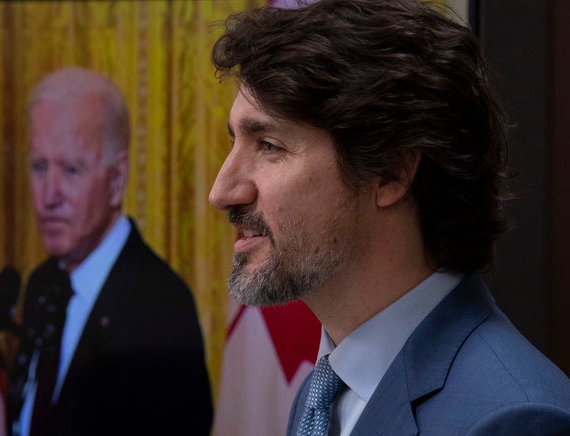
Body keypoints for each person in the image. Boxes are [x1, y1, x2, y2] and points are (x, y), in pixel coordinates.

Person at [207, 0, 570, 435]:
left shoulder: (511, 420)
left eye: (269, 145)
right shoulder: (323, 394)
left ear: (390, 171)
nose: (221, 192)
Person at [7, 67, 213, 435]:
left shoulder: (162, 309)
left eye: (71, 170)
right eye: (39, 167)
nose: (48, 196)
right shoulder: (42, 284)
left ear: (117, 180)